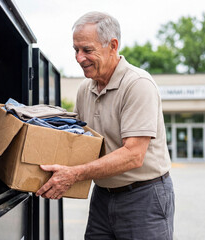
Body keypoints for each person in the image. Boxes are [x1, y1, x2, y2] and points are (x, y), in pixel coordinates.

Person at [35, 11, 175, 239]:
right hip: (103, 195)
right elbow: (76, 140)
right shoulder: (85, 88)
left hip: (144, 196)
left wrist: (74, 174)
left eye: (87, 50)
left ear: (113, 45)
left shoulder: (138, 84)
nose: (79, 58)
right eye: (76, 50)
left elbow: (133, 155)